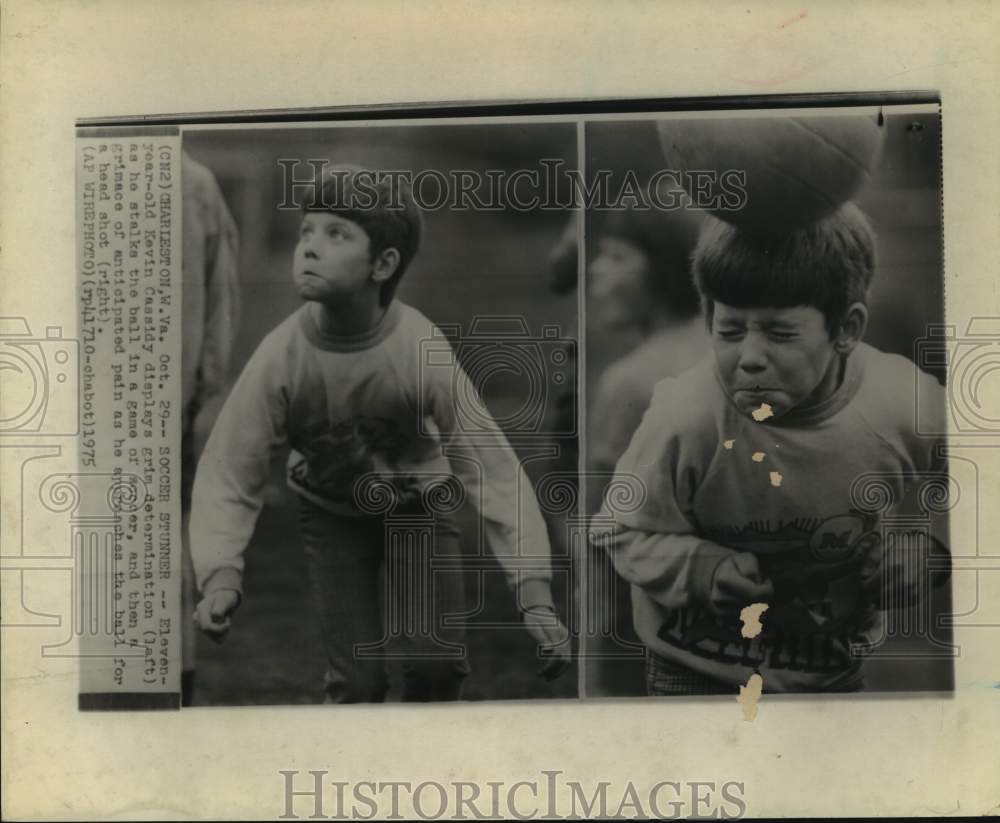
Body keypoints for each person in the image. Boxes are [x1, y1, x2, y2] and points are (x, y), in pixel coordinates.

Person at [189, 164, 570, 703]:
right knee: (357, 683)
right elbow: (232, 466)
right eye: (307, 231)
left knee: (436, 670)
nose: (310, 247)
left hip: (419, 509)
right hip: (330, 513)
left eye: (337, 233)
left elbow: (491, 466)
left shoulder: (419, 349)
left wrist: (533, 591)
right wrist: (220, 573)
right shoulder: (282, 353)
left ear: (383, 263)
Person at [591, 202, 950, 694]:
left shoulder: (909, 404)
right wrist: (701, 569)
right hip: (693, 676)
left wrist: (931, 547)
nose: (751, 357)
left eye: (780, 334)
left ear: (847, 329)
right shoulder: (685, 413)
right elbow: (617, 528)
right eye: (730, 331)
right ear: (707, 317)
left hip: (829, 678)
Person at [584, 202, 710, 696]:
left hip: (648, 622)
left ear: (660, 266)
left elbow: (602, 533)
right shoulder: (738, 349)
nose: (596, 270)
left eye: (616, 257)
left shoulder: (630, 381)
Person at [179, 153, 241, 706]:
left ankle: (178, 680)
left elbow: (220, 293)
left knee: (171, 542)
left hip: (167, 404)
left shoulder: (195, 182)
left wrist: (205, 392)